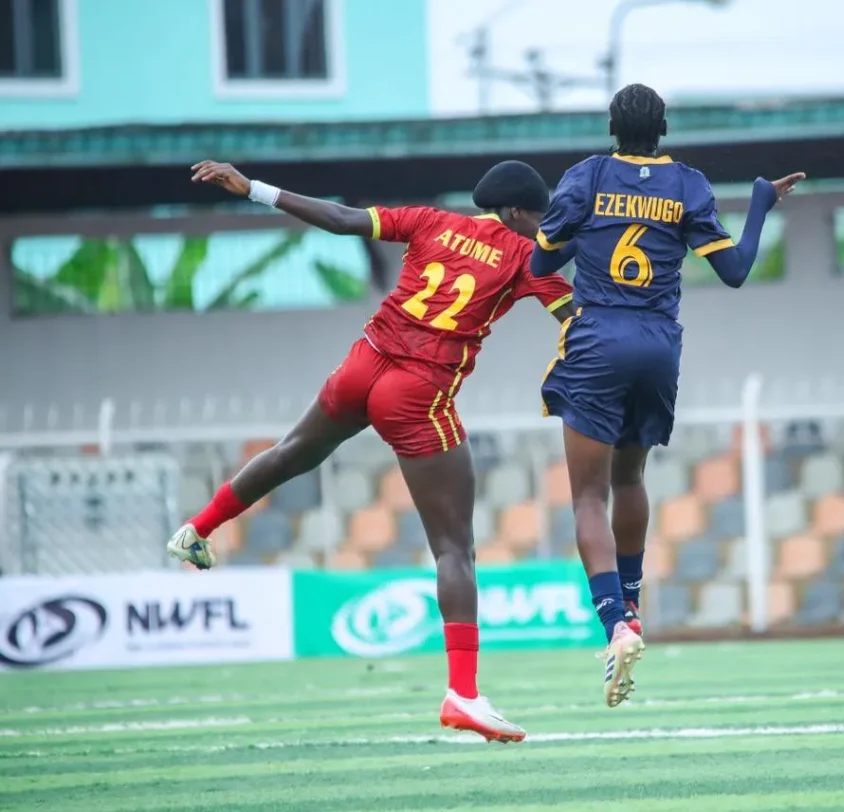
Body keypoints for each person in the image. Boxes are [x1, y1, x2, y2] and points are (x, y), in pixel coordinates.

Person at [170, 159, 576, 743]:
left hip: (364, 363)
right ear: (516, 212)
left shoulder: (431, 222)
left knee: (291, 452)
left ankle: (197, 528)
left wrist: (253, 188)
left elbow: (339, 219)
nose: (544, 229)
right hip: (416, 391)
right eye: (539, 217)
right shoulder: (523, 254)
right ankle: (463, 694)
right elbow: (572, 318)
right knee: (454, 549)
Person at [529, 84, 803, 707]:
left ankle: (613, 626)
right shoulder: (689, 184)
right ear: (665, 128)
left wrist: (593, 234)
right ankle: (632, 600)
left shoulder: (587, 175)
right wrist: (761, 203)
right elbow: (734, 271)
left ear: (611, 127)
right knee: (630, 481)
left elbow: (541, 266)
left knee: (587, 497)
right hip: (658, 347)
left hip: (598, 339)